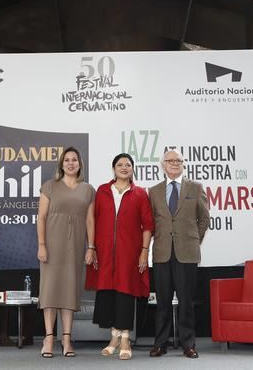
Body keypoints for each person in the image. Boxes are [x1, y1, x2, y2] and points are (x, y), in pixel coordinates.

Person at [85, 153, 154, 360]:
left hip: (130, 254)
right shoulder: (103, 191)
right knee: (109, 295)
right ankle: (114, 337)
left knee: (125, 293)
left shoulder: (140, 194)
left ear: (133, 169)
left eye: (128, 164)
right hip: (105, 253)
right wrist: (93, 248)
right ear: (113, 169)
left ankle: (124, 340)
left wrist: (144, 251)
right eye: (120, 164)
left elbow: (148, 225)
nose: (124, 167)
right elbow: (93, 221)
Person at [148, 149, 210, 359]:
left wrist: (194, 240)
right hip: (162, 253)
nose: (174, 163)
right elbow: (151, 222)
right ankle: (160, 344)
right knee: (162, 303)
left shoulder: (195, 187)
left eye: (178, 160)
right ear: (162, 165)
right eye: (170, 160)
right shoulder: (153, 191)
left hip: (187, 253)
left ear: (183, 164)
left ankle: (188, 344)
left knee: (186, 302)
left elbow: (204, 219)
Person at [36, 146, 96, 358]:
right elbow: (41, 218)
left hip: (77, 246)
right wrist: (41, 245)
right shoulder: (49, 186)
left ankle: (67, 340)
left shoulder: (88, 189)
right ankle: (49, 338)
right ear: (61, 164)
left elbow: (90, 220)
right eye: (67, 160)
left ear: (80, 164)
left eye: (74, 160)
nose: (71, 163)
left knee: (70, 291)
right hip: (52, 245)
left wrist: (91, 247)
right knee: (50, 290)